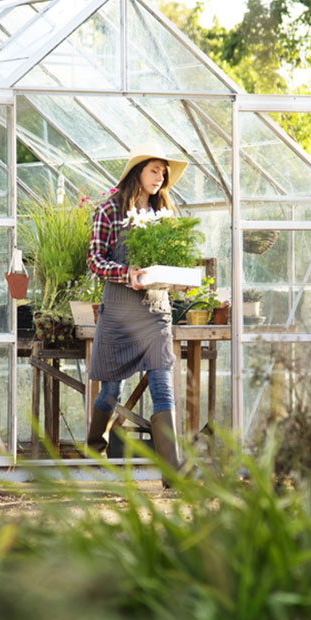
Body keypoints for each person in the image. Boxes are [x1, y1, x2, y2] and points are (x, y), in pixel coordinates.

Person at [84, 143, 186, 482]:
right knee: (110, 391)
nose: (161, 178)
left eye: (164, 173)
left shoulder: (164, 213)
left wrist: (177, 278)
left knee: (162, 386)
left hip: (155, 313)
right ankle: (95, 450)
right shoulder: (109, 210)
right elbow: (95, 260)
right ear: (137, 171)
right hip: (118, 314)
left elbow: (173, 259)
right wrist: (125, 273)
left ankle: (172, 472)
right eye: (155, 170)